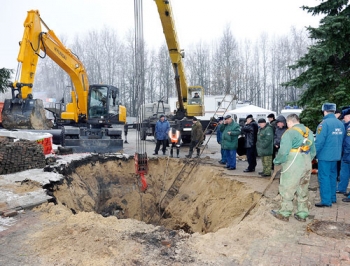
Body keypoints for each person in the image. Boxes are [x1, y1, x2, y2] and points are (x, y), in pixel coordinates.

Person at [271, 114, 316, 222]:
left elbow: (283, 151)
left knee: (287, 187)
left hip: (293, 162)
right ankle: (302, 214)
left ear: (289, 122)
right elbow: (313, 150)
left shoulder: (289, 132)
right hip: (306, 161)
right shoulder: (308, 131)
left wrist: (277, 161)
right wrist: (307, 160)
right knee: (303, 188)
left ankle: (284, 213)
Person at [315, 103, 344, 207]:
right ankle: (332, 197)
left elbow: (319, 142)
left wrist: (314, 153)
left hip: (325, 156)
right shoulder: (340, 123)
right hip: (336, 155)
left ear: (324, 111)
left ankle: (326, 201)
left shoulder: (324, 124)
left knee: (324, 177)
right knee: (332, 176)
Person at [337, 109, 350, 199]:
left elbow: (348, 142)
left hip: (348, 153)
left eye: (344, 117)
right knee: (344, 172)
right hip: (346, 153)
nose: (343, 119)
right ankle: (342, 188)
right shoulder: (346, 125)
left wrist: (345, 153)